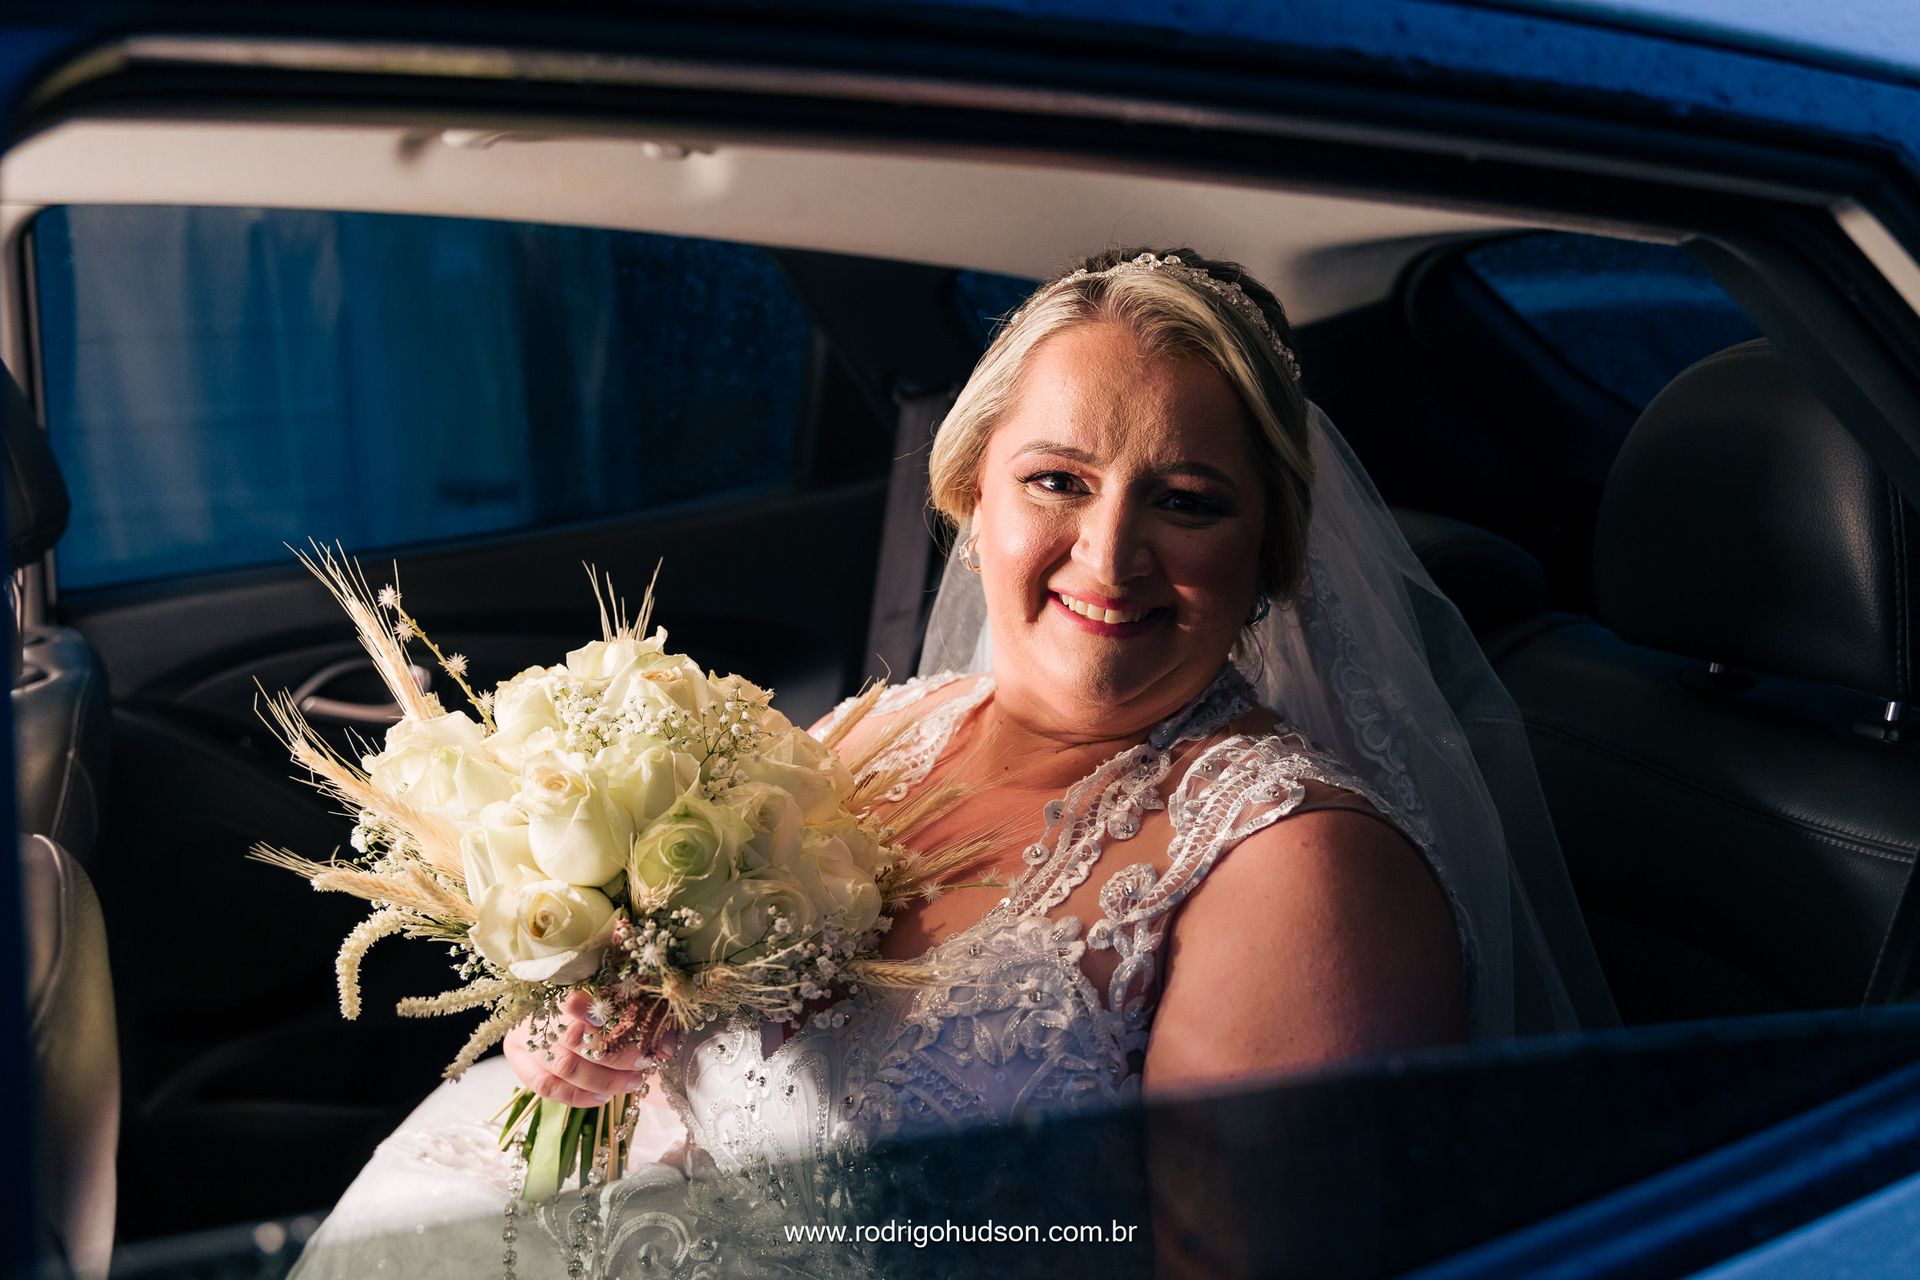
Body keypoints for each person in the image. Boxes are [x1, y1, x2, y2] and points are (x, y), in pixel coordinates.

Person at [291, 247, 1612, 1279]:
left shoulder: (1304, 876)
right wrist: (590, 1037)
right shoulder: (876, 732)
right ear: (971, 494)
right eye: (1059, 480)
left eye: (1188, 500)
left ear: (1269, 553)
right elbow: (704, 1061)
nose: (1111, 556)